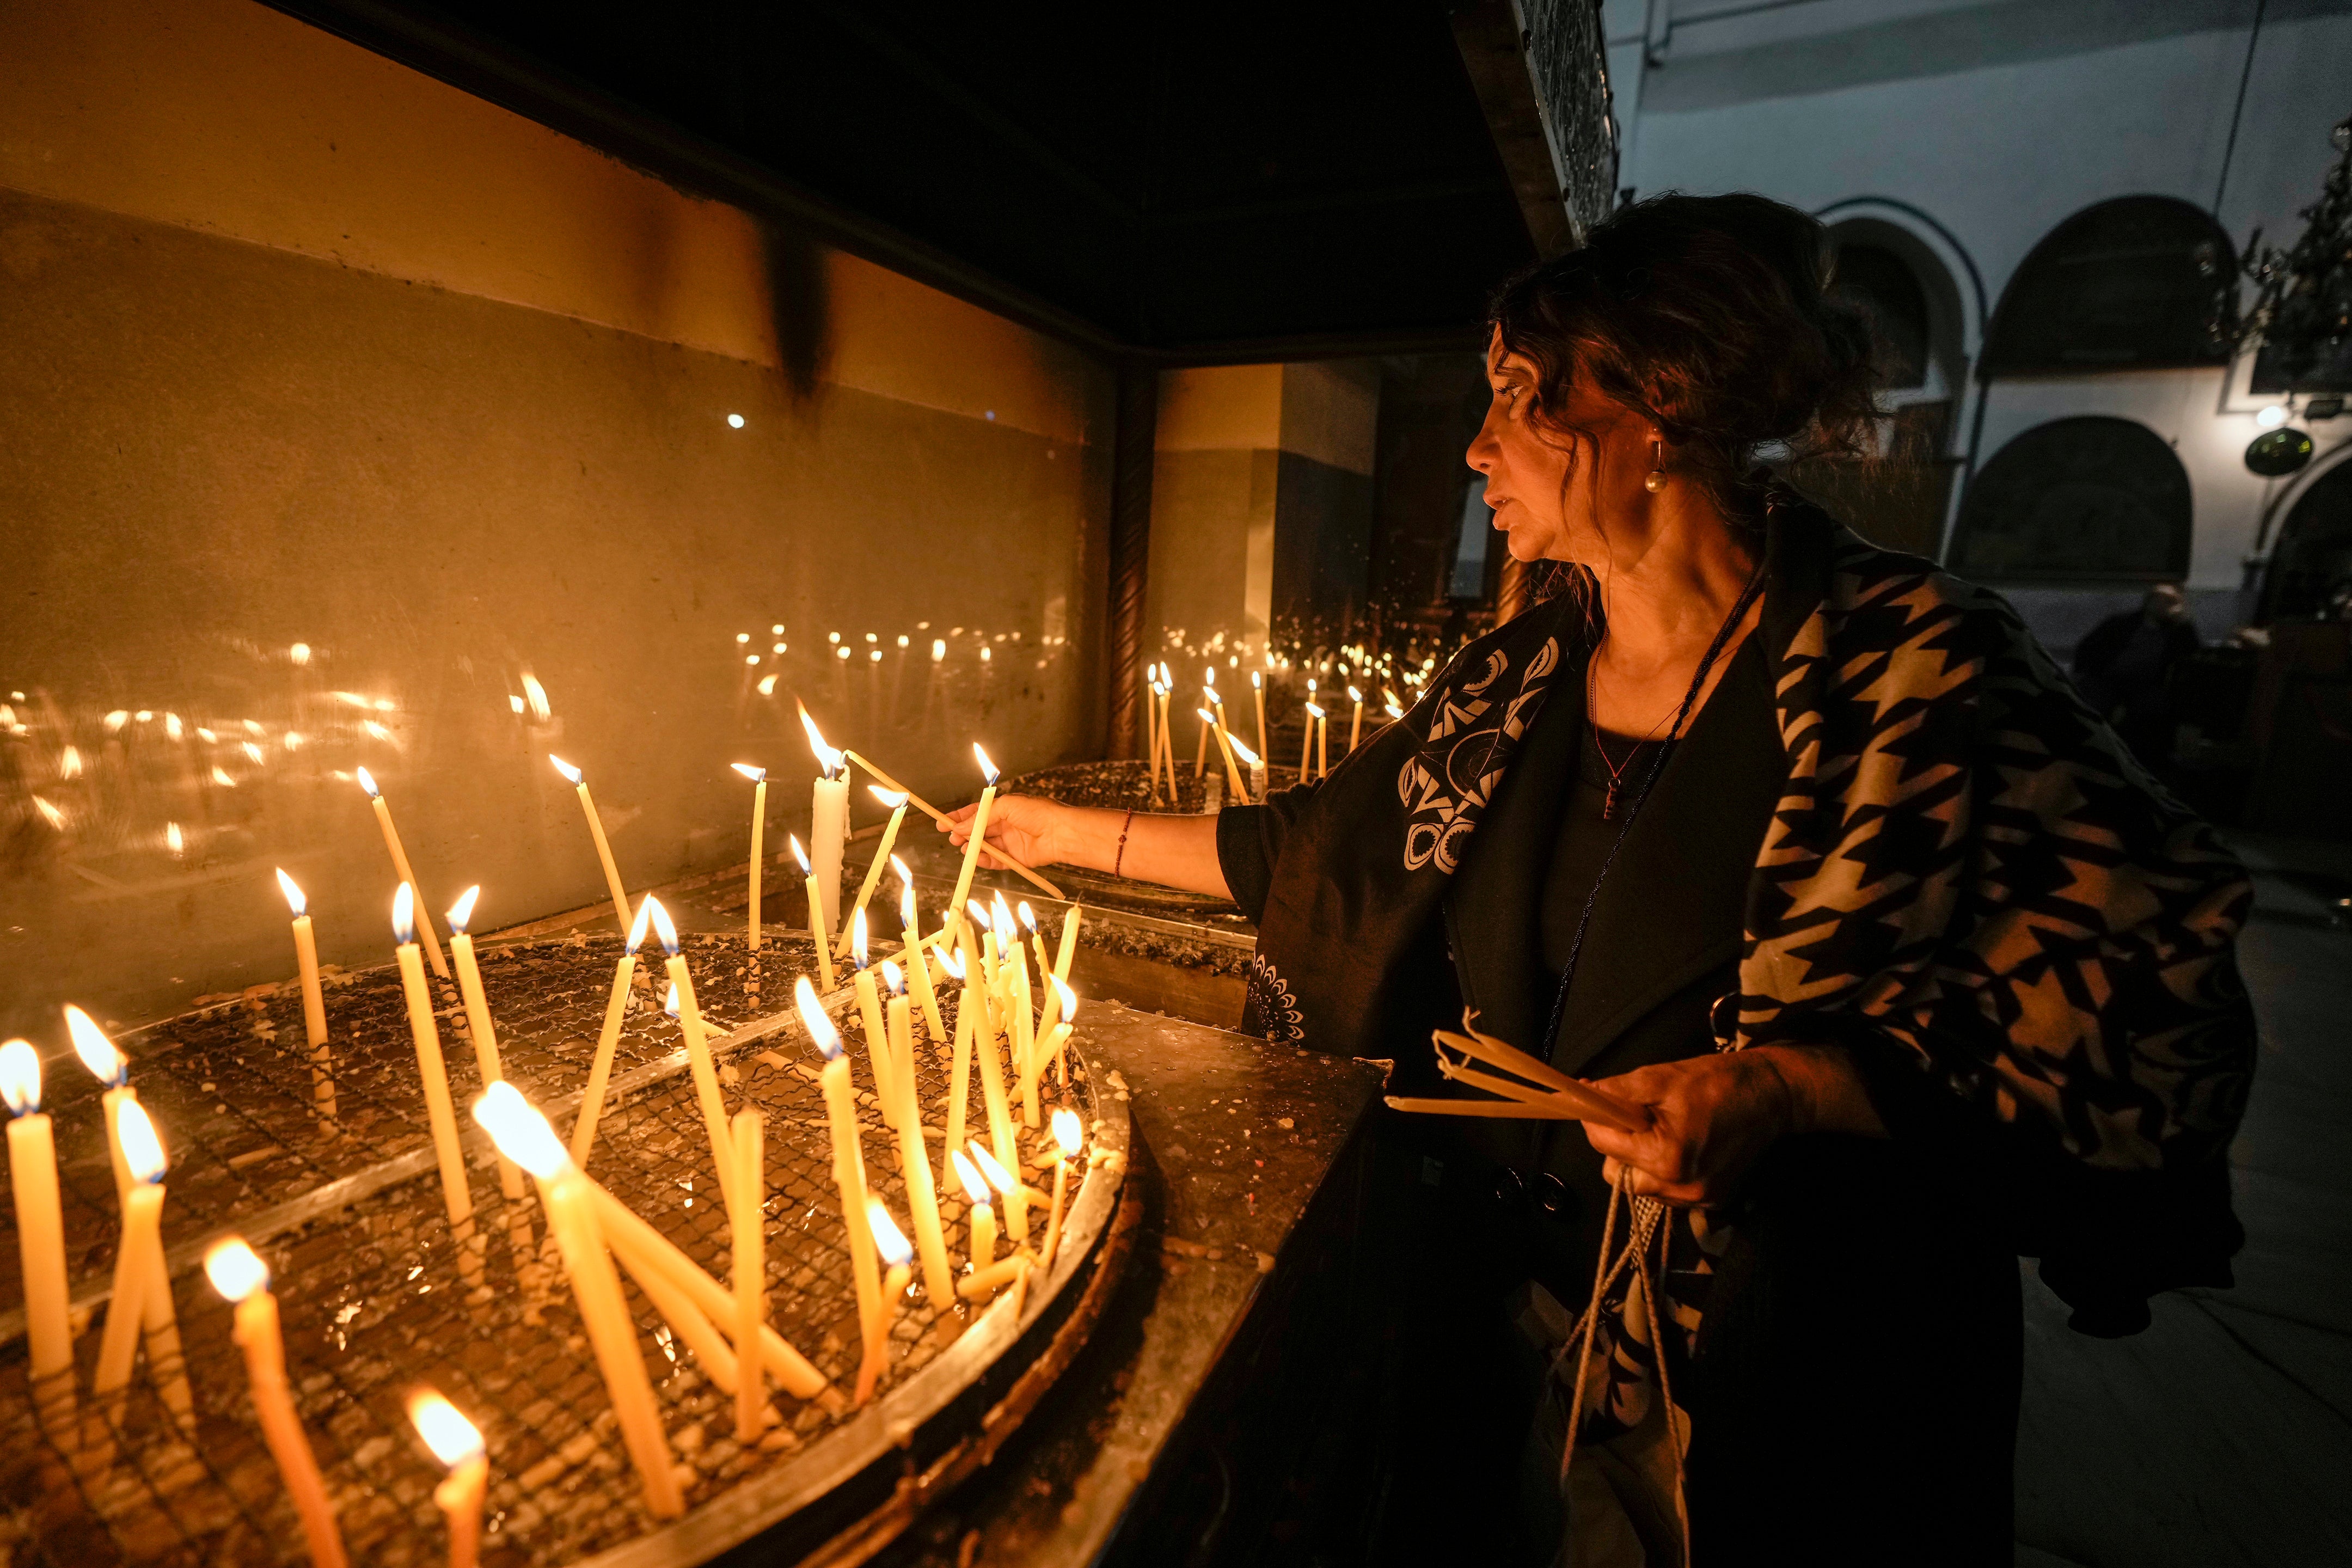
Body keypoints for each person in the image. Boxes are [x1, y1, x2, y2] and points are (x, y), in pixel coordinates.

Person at [942, 194, 2255, 1566]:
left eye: (1515, 398)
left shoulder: (1920, 670)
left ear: (1649, 407)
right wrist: (1044, 831)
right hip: (1507, 1310)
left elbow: (2159, 985)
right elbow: (1313, 853)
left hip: (1791, 1365)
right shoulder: (1519, 672)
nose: (1474, 444)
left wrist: (1793, 1088)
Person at [2074, 584, 2201, 769]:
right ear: (2149, 602)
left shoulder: (2181, 632)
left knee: (2148, 718)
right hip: (2108, 682)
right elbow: (2088, 649)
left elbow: (2191, 662)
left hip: (2150, 688)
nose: (2165, 605)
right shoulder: (2121, 624)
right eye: (2161, 599)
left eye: (2172, 601)